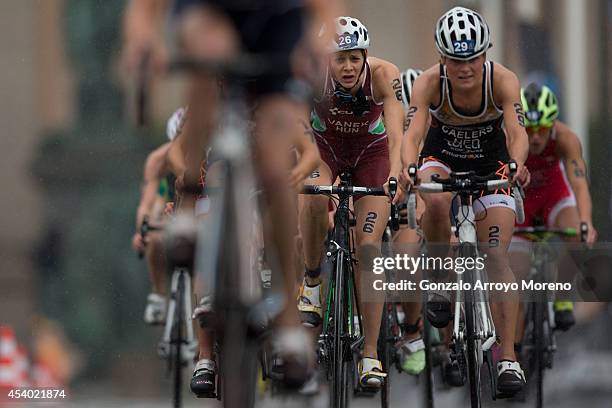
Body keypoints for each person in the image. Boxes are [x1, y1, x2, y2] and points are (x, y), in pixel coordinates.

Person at [121, 0, 340, 390]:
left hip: (275, 20)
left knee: (274, 171)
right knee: (212, 53)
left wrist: (322, 35)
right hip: (209, 12)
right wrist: (142, 37)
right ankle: (189, 205)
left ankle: (288, 322)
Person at [399, 6, 530, 395]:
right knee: (434, 202)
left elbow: (517, 131)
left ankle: (508, 358)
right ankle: (440, 278)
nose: (466, 68)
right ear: (442, 58)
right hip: (442, 158)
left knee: (495, 255)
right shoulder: (428, 84)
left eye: (472, 58)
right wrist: (408, 168)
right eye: (456, 60)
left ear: (485, 54)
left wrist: (517, 164)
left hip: (493, 162)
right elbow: (412, 135)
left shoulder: (503, 81)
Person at [297, 16, 404, 389]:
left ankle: (370, 354)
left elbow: (396, 131)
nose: (347, 67)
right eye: (339, 59)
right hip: (323, 151)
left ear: (366, 58)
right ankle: (312, 282)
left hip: (372, 156)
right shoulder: (311, 76)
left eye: (354, 59)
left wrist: (399, 174)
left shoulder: (384, 75)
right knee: (312, 197)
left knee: (370, 248)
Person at [511, 83, 597, 332]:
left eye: (542, 129)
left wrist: (586, 222)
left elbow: (579, 184)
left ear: (553, 125)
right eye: (529, 129)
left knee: (576, 236)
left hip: (553, 194)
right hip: (522, 201)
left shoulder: (567, 139)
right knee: (515, 279)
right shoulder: (509, 139)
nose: (536, 137)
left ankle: (562, 298)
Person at [131, 108, 186, 324]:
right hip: (167, 205)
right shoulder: (157, 161)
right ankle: (159, 295)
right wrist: (141, 232)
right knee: (154, 236)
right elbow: (146, 204)